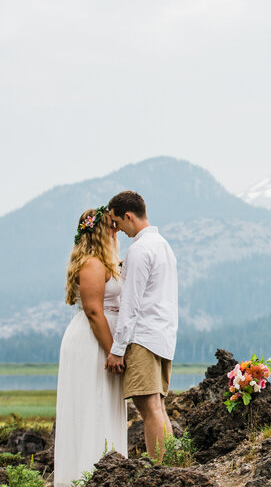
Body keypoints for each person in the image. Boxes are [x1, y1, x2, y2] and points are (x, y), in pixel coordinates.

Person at [54, 206, 127, 486]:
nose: (116, 229)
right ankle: (86, 474)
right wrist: (112, 350)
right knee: (92, 403)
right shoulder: (93, 264)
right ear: (99, 230)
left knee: (103, 402)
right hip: (92, 341)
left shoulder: (103, 261)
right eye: (111, 225)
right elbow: (94, 311)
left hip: (102, 337)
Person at [105, 190, 178, 462]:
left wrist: (117, 349)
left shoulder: (138, 250)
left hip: (143, 338)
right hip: (162, 336)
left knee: (148, 410)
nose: (118, 229)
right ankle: (171, 466)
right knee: (158, 406)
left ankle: (160, 470)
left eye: (117, 222)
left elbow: (130, 305)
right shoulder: (163, 246)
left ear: (128, 216)